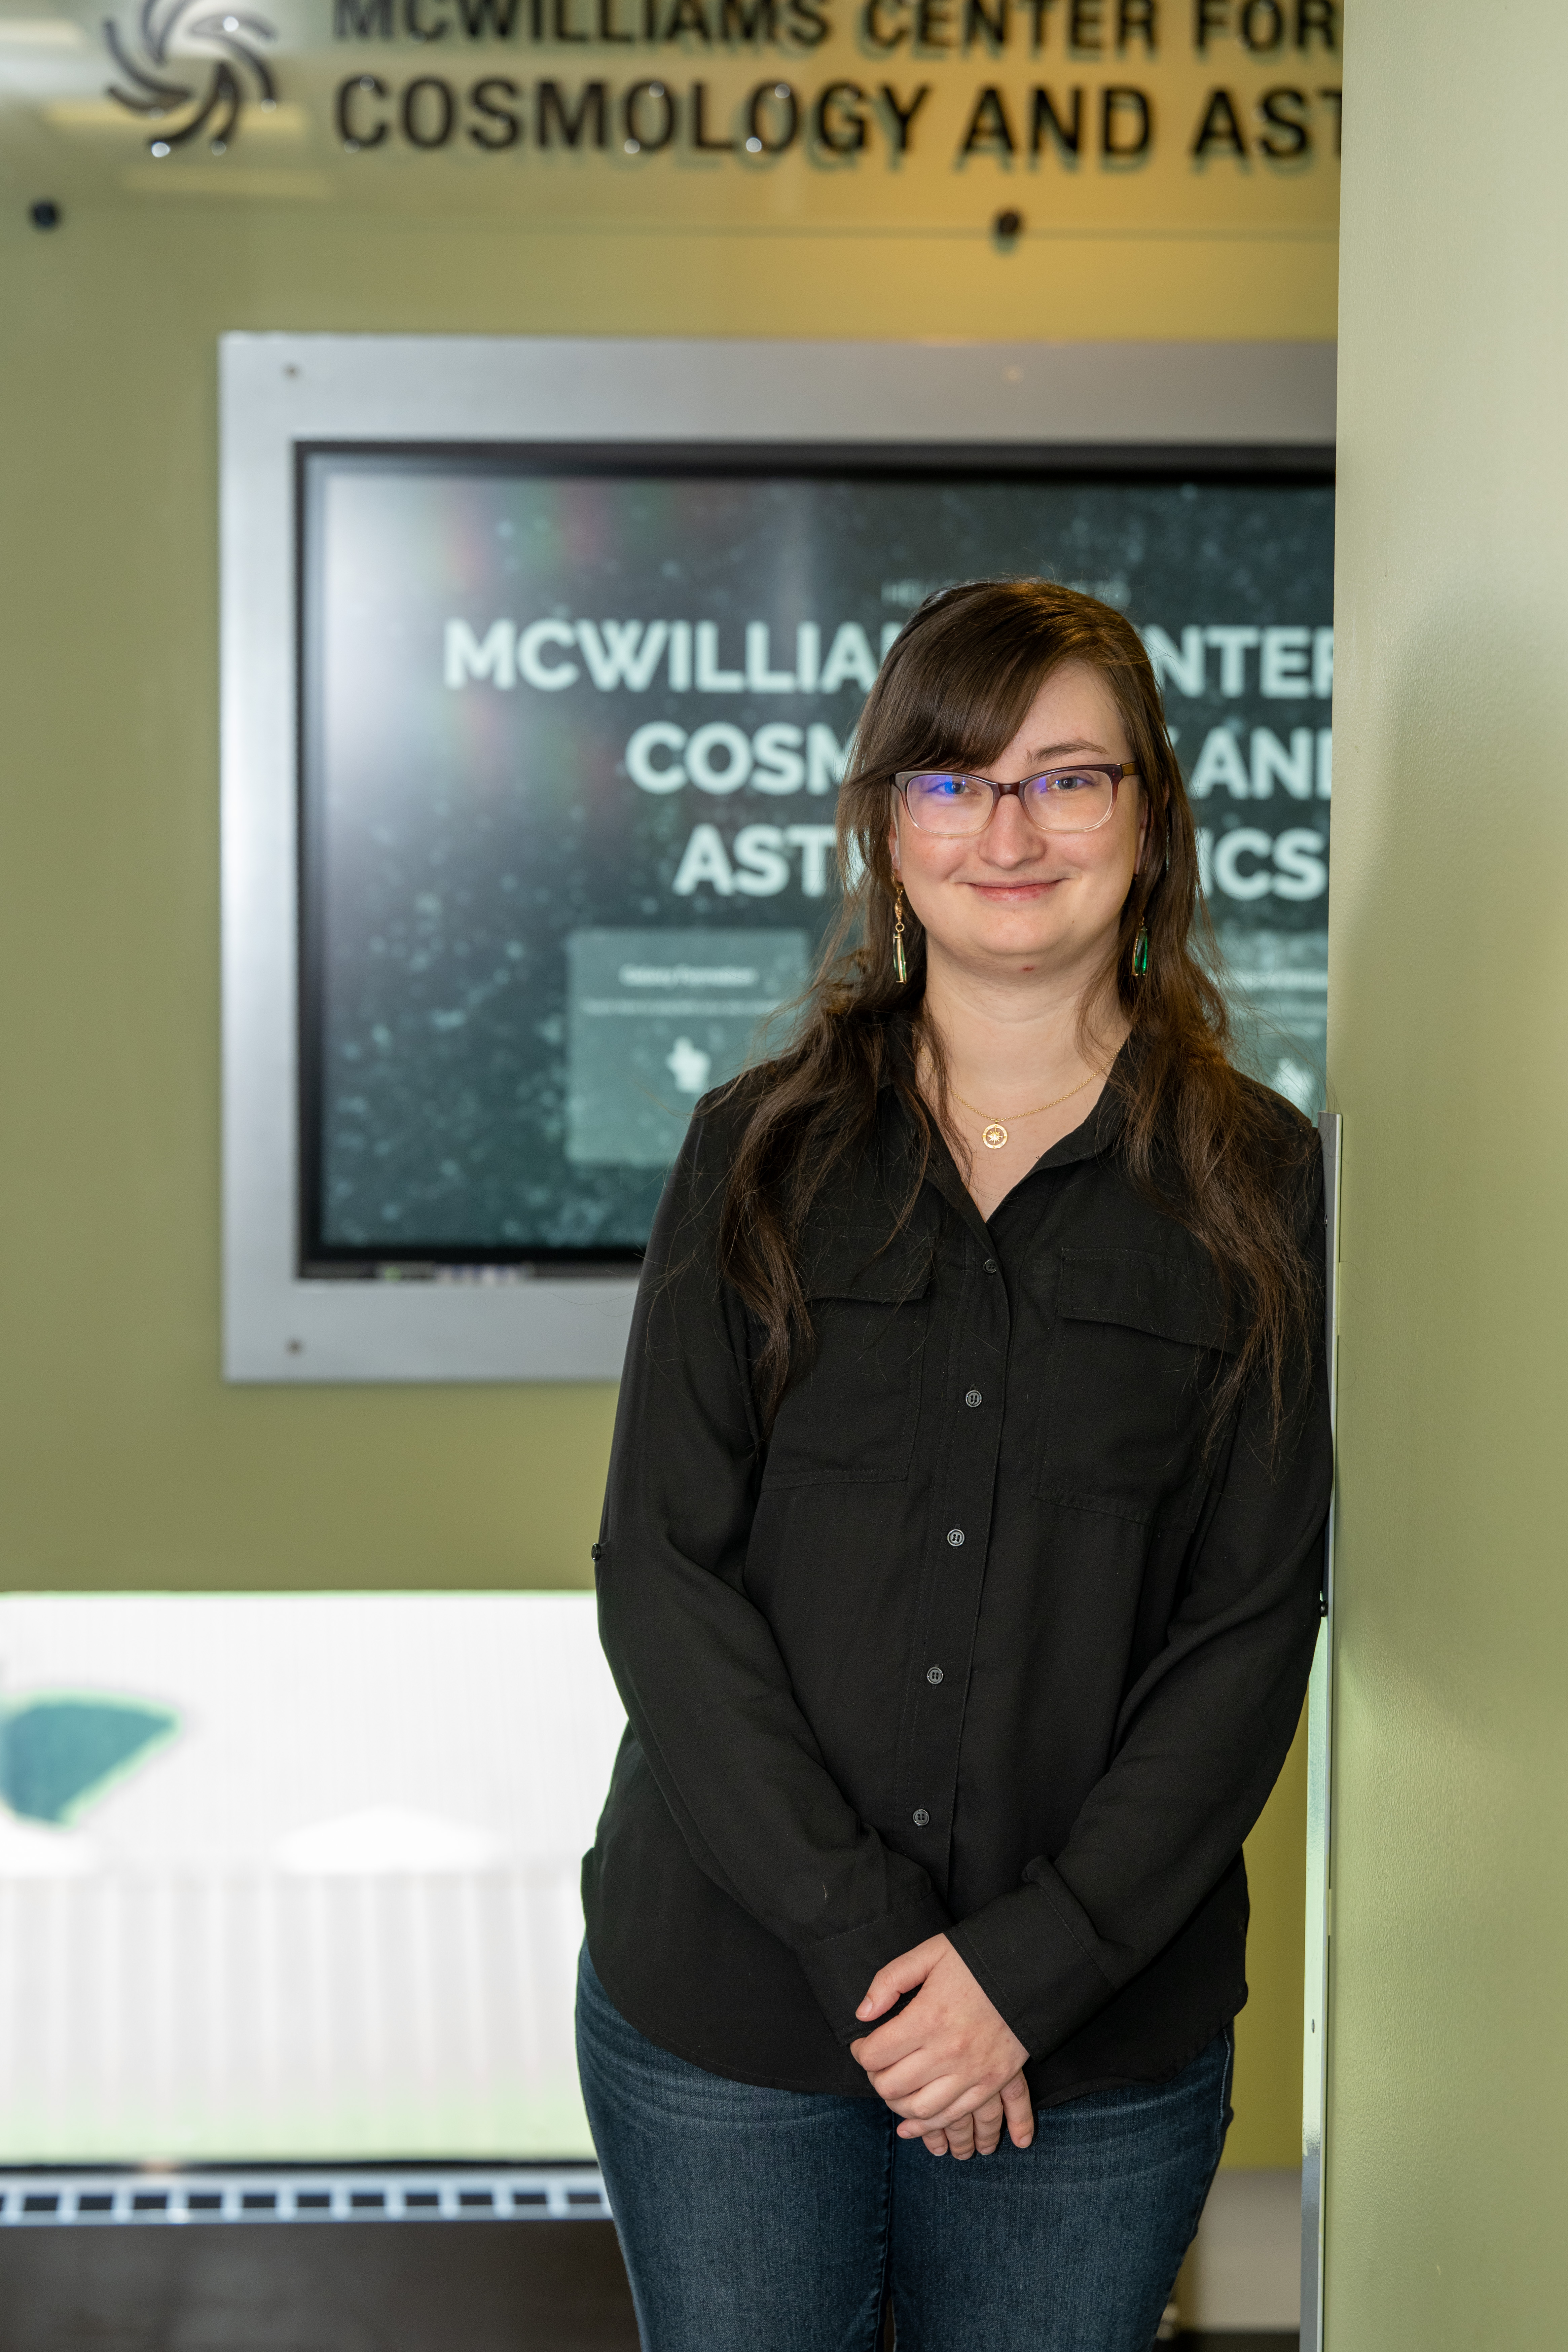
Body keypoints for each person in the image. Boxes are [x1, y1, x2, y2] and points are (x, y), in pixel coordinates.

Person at [576, 578, 1333, 2352]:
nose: (1008, 829)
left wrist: (1020, 1975)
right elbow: (660, 1574)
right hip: (734, 2017)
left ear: (1146, 822)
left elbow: (1246, 1623)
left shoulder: (1259, 1183)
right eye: (950, 780)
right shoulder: (748, 1153)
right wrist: (876, 1957)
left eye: (1067, 779)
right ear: (882, 823)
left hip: (1092, 2040)